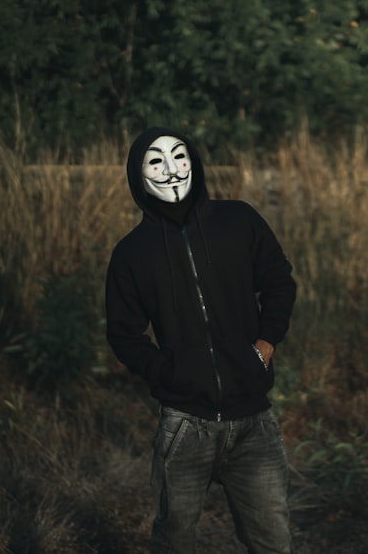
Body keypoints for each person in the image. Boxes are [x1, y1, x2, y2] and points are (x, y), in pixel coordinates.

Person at [106, 127, 297, 553]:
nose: (171, 169)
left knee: (273, 542)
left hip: (253, 425)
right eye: (155, 161)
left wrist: (264, 346)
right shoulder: (132, 253)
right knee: (174, 542)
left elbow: (280, 282)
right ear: (138, 176)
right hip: (184, 425)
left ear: (195, 161)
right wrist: (169, 374)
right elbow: (123, 333)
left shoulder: (238, 220)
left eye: (179, 155)